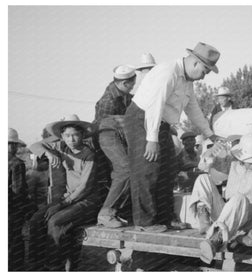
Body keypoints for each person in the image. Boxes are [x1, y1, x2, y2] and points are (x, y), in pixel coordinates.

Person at [123, 42, 220, 230]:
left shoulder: (187, 81)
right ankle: (144, 222)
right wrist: (151, 139)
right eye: (204, 71)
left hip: (161, 124)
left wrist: (210, 134)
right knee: (146, 170)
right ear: (194, 63)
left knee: (168, 170)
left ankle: (165, 218)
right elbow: (155, 105)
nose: (203, 77)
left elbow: (193, 109)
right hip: (142, 119)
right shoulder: (168, 72)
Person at [27, 115, 101, 270]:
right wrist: (48, 153)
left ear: (82, 135)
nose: (71, 139)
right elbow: (34, 146)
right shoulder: (60, 147)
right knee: (36, 219)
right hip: (67, 200)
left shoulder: (89, 155)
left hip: (86, 201)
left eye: (75, 135)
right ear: (61, 137)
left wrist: (60, 204)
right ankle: (35, 264)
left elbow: (84, 188)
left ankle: (54, 266)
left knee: (56, 221)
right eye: (67, 135)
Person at [189, 133, 252, 264]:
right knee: (203, 178)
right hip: (227, 213)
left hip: (248, 218)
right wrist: (210, 153)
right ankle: (205, 222)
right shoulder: (233, 164)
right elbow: (203, 167)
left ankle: (216, 240)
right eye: (250, 160)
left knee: (239, 197)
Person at [93, 65, 137, 228]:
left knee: (127, 171)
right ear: (126, 83)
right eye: (132, 83)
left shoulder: (125, 96)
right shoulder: (108, 100)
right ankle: (106, 213)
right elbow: (104, 125)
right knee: (125, 169)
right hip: (108, 134)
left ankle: (120, 210)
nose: (133, 86)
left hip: (119, 135)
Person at [8, 128, 30, 271]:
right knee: (15, 241)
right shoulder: (16, 163)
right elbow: (19, 190)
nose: (13, 147)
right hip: (13, 210)